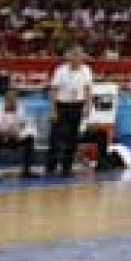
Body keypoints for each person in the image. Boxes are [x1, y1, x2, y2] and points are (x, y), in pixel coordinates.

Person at [46, 46, 93, 178]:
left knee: (72, 139)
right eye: (75, 56)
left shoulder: (86, 70)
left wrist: (88, 105)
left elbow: (88, 89)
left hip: (77, 106)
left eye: (80, 56)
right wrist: (53, 110)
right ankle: (51, 167)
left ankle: (66, 168)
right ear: (69, 57)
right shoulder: (60, 70)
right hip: (62, 106)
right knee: (55, 138)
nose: (78, 58)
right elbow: (54, 90)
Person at [0, 91, 37, 182]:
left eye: (15, 100)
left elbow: (23, 125)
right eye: (11, 100)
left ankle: (26, 170)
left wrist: (19, 133)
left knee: (30, 139)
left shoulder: (20, 108)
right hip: (0, 137)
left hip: (14, 137)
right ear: (6, 100)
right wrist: (6, 134)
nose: (13, 103)